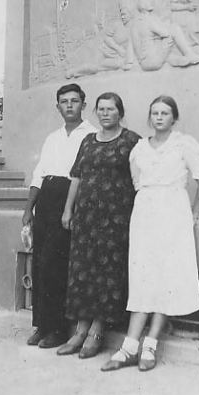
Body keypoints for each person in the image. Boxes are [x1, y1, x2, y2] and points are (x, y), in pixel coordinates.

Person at [101, 95, 199, 372]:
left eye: (165, 113)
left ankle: (149, 344)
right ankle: (129, 347)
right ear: (150, 118)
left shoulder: (184, 144)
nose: (159, 117)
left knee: (166, 276)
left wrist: (194, 213)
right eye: (155, 113)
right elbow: (137, 182)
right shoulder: (138, 148)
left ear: (174, 118)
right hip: (145, 214)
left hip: (173, 213)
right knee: (143, 276)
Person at [57, 92, 141, 359]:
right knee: (83, 272)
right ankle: (80, 331)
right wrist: (68, 209)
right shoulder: (88, 140)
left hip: (116, 220)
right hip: (87, 219)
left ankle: (96, 331)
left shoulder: (131, 141)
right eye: (101, 109)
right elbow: (76, 177)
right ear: (96, 112)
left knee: (107, 275)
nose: (105, 113)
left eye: (111, 109)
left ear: (120, 112)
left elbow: (140, 179)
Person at [22, 83, 96, 348]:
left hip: (70, 197)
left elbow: (85, 177)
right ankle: (42, 326)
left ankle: (58, 329)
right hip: (47, 197)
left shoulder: (91, 135)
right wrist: (28, 208)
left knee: (58, 265)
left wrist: (73, 208)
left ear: (83, 105)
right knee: (41, 262)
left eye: (74, 101)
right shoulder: (52, 137)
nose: (69, 106)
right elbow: (39, 173)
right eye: (64, 101)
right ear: (58, 107)